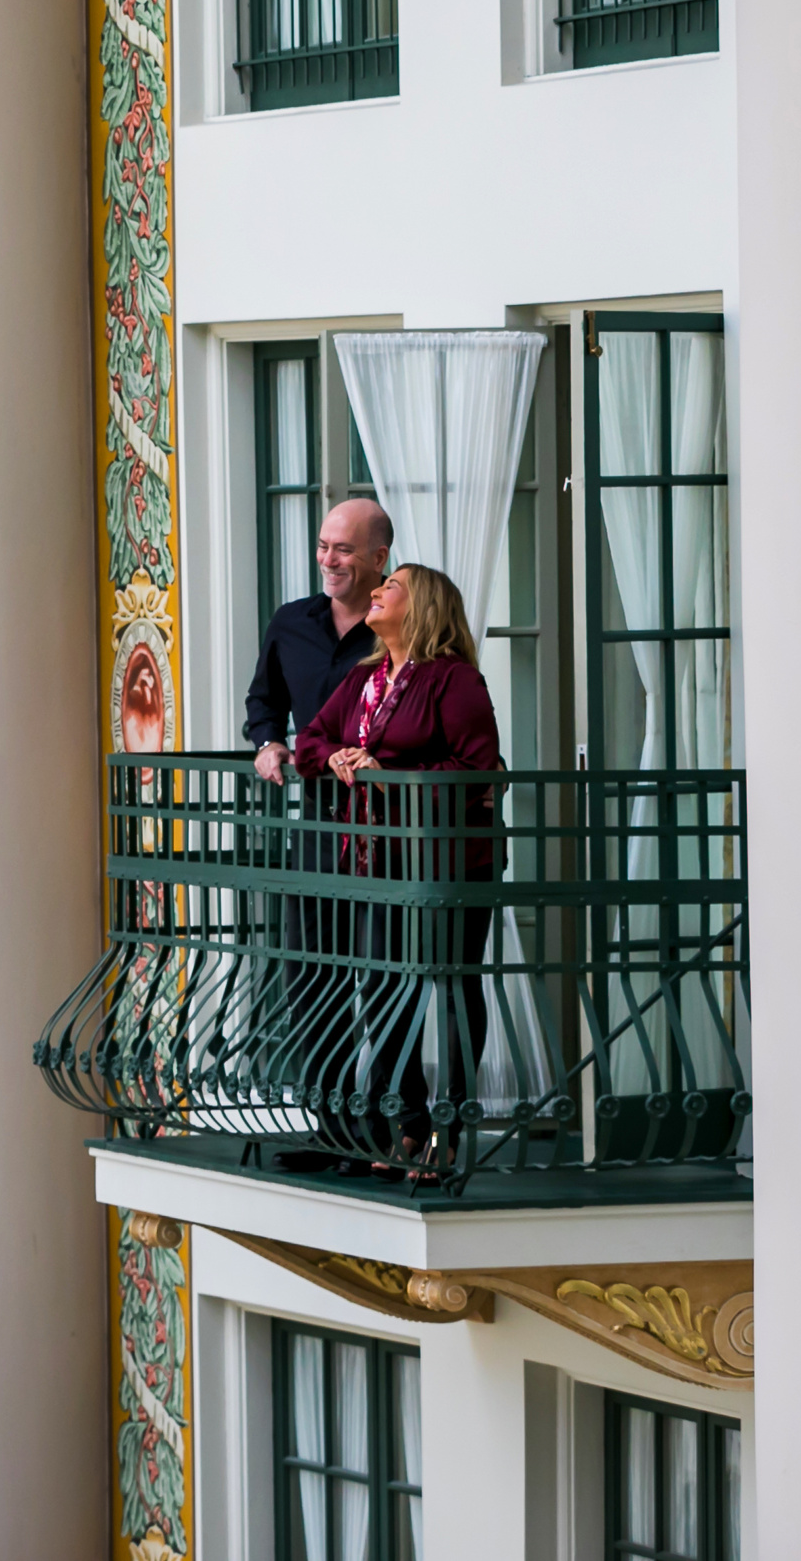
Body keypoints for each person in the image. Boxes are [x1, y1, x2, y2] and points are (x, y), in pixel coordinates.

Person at [290, 563, 505, 1175]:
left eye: (392, 587)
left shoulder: (455, 680)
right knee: (385, 987)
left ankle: (451, 1130)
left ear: (423, 607)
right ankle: (409, 1127)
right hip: (377, 860)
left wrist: (394, 779)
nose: (377, 591)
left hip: (450, 864)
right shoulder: (365, 679)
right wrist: (339, 757)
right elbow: (310, 741)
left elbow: (476, 768)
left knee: (453, 987)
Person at [246, 497, 391, 779]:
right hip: (315, 810)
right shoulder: (290, 623)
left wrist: (485, 763)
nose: (328, 560)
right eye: (323, 546)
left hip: (389, 809)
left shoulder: (410, 625)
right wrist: (269, 743)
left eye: (343, 550)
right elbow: (264, 700)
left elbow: (454, 699)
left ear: (379, 558)